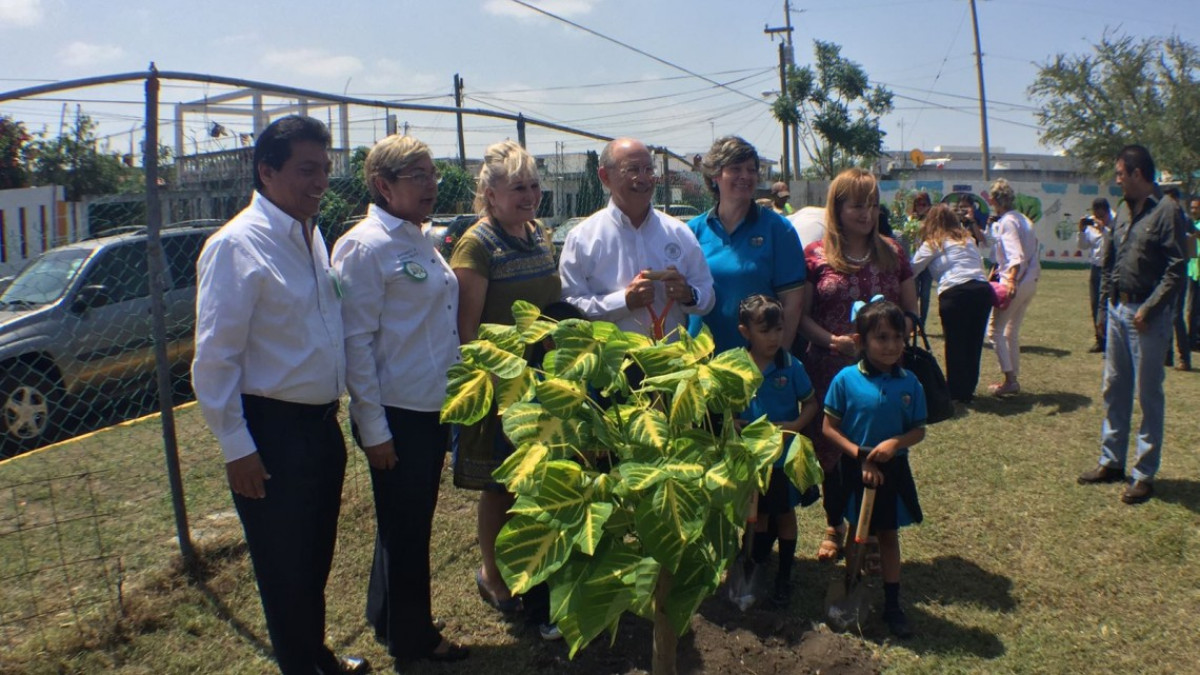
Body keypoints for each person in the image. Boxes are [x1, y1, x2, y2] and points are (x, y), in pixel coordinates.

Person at [191, 115, 369, 675]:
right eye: (306, 169)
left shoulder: (309, 234)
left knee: (313, 558)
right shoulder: (237, 246)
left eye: (326, 169)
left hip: (319, 428)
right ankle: (302, 664)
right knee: (283, 566)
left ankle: (315, 656)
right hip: (271, 434)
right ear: (267, 171)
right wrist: (236, 446)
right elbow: (215, 358)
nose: (321, 181)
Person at [331, 135, 468, 668]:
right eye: (419, 176)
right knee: (407, 530)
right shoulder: (366, 247)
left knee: (405, 522)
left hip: (430, 405)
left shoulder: (417, 238)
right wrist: (375, 427)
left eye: (433, 174)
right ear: (383, 186)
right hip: (397, 413)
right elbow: (356, 342)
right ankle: (416, 640)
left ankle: (387, 618)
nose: (432, 184)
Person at [450, 140, 561, 614]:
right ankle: (492, 575)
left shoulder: (539, 235)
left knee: (534, 480)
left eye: (534, 185)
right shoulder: (477, 245)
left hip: (545, 380)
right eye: (518, 187)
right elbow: (467, 331)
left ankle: (529, 566)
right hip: (502, 386)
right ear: (490, 193)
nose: (529, 195)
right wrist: (497, 387)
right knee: (500, 485)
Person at [797, 168, 917, 565]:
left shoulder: (893, 251)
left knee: (877, 451)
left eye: (871, 204)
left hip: (881, 376)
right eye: (856, 205)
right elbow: (802, 316)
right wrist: (833, 341)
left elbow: (911, 311)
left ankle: (873, 527)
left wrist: (888, 343)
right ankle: (835, 524)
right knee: (833, 455)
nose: (866, 213)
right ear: (838, 207)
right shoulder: (815, 254)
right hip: (829, 369)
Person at [1079, 145, 1189, 505]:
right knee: (1114, 387)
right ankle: (1112, 461)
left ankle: (1144, 473)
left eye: (1121, 173)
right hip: (1118, 311)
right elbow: (1112, 261)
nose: (1117, 179)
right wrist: (1104, 307)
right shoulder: (1123, 212)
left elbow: (1176, 267)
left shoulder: (1167, 211)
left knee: (1148, 394)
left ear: (1138, 174)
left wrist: (1151, 309)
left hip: (1147, 318)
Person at [822, 298, 926, 638]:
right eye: (882, 338)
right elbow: (829, 427)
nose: (892, 346)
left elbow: (918, 429)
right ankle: (852, 586)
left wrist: (896, 444)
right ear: (861, 341)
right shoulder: (845, 380)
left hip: (892, 471)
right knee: (857, 532)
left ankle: (892, 603)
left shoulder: (910, 383)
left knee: (888, 535)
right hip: (855, 469)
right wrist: (860, 455)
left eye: (898, 337)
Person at [559, 137, 714, 340]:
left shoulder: (679, 232)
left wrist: (688, 294)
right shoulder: (581, 238)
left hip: (673, 365)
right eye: (632, 170)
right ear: (605, 176)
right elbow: (570, 308)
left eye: (648, 169)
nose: (643, 178)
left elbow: (707, 295)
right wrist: (623, 301)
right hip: (613, 365)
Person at [686, 136, 807, 354]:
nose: (745, 176)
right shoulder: (692, 231)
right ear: (715, 175)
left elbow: (792, 303)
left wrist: (777, 358)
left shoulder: (778, 230)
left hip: (755, 363)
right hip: (700, 363)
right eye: (735, 168)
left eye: (751, 170)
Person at [735, 294, 819, 608]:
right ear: (745, 332)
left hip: (783, 458)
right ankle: (752, 563)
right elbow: (721, 406)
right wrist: (732, 422)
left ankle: (785, 574)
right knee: (755, 514)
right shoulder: (734, 365)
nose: (774, 338)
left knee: (784, 514)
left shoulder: (791, 365)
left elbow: (811, 404)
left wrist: (795, 426)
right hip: (749, 458)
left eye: (778, 330)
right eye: (765, 331)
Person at [910, 204, 992, 403]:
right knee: (973, 343)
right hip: (981, 290)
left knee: (955, 343)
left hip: (955, 292)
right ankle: (967, 390)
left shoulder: (933, 243)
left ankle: (955, 391)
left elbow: (912, 270)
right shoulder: (967, 240)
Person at [984, 178, 1040, 396]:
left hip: (1015, 281)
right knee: (1010, 331)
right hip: (1031, 280)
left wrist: (1011, 280)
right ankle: (1012, 378)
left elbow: (1015, 255)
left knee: (994, 331)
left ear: (995, 200)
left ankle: (1009, 380)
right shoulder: (1024, 219)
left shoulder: (1007, 221)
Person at [1077, 198, 1114, 353]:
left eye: (1101, 215)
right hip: (1096, 267)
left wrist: (1104, 229)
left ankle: (1110, 340)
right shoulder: (1091, 222)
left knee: (1105, 305)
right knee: (1095, 304)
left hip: (1110, 269)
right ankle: (1099, 340)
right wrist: (1081, 230)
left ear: (1106, 212)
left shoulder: (1115, 222)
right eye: (1095, 214)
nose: (1097, 217)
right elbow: (1083, 246)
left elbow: (1113, 244)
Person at [1164, 187, 1192, 370]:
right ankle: (1167, 356)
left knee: (1175, 315)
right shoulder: (1166, 217)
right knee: (1164, 314)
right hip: (1165, 271)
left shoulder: (1183, 219)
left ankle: (1184, 358)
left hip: (1178, 271)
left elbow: (1193, 242)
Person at [906, 192, 933, 328]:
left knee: (925, 293)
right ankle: (913, 321)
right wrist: (913, 222)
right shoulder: (911, 219)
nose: (920, 207)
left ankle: (922, 322)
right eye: (918, 204)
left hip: (927, 261)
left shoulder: (931, 220)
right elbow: (907, 236)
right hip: (914, 258)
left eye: (923, 204)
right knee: (914, 293)